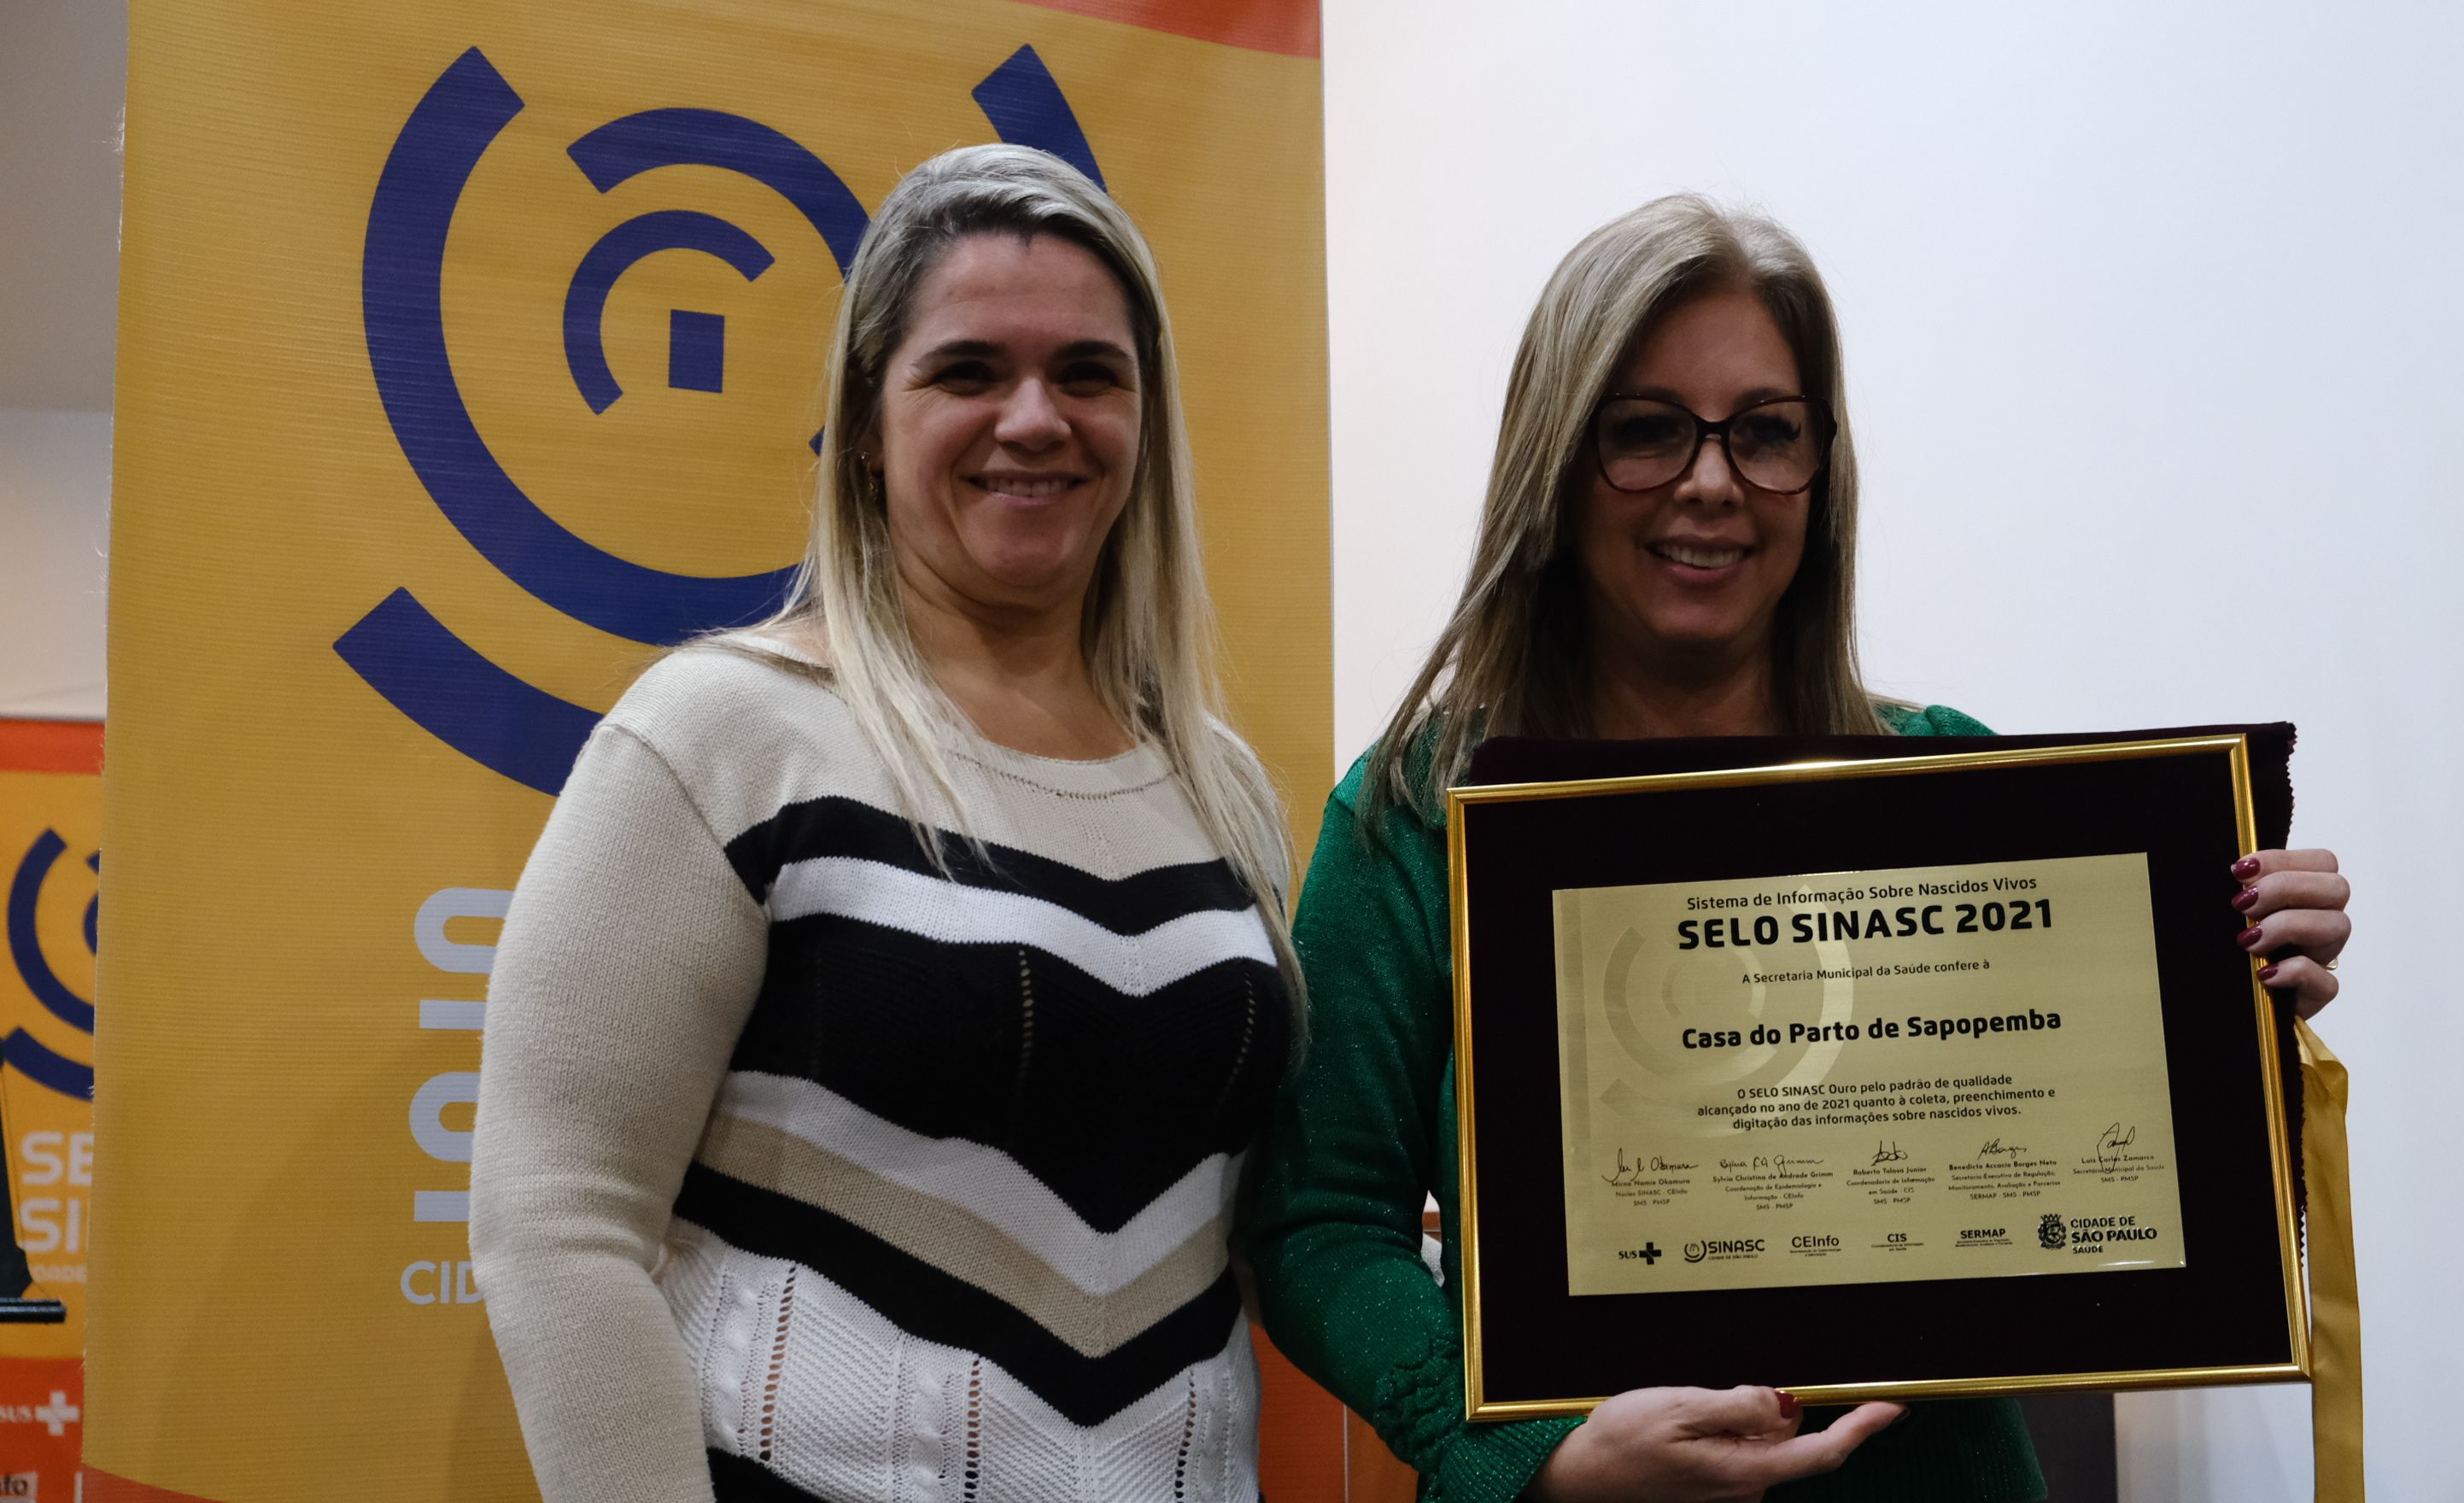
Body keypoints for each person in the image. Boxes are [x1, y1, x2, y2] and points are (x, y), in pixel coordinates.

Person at [1245, 194, 2352, 1502]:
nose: (1712, 483)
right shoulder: (1420, 816)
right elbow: (1318, 1225)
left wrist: (2233, 991)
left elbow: (2125, 1157)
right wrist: (1521, 1456)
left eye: (1766, 434)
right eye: (1647, 432)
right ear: (1557, 459)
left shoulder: (1958, 781)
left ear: (1820, 473)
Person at [469, 144, 1302, 1503]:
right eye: (969, 371)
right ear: (866, 419)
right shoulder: (723, 735)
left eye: (1089, 374)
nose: (1035, 419)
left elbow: (1248, 1234)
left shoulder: (1223, 791)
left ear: (1147, 420)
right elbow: (555, 1224)